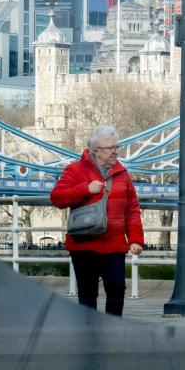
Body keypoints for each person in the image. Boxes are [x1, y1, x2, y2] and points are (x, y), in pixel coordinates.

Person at [50, 125, 144, 316]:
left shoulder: (123, 174)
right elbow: (57, 198)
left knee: (117, 289)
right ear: (96, 151)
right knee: (87, 294)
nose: (116, 152)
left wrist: (135, 239)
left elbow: (132, 209)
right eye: (111, 148)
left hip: (114, 244)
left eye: (117, 147)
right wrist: (85, 189)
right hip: (85, 244)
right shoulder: (75, 170)